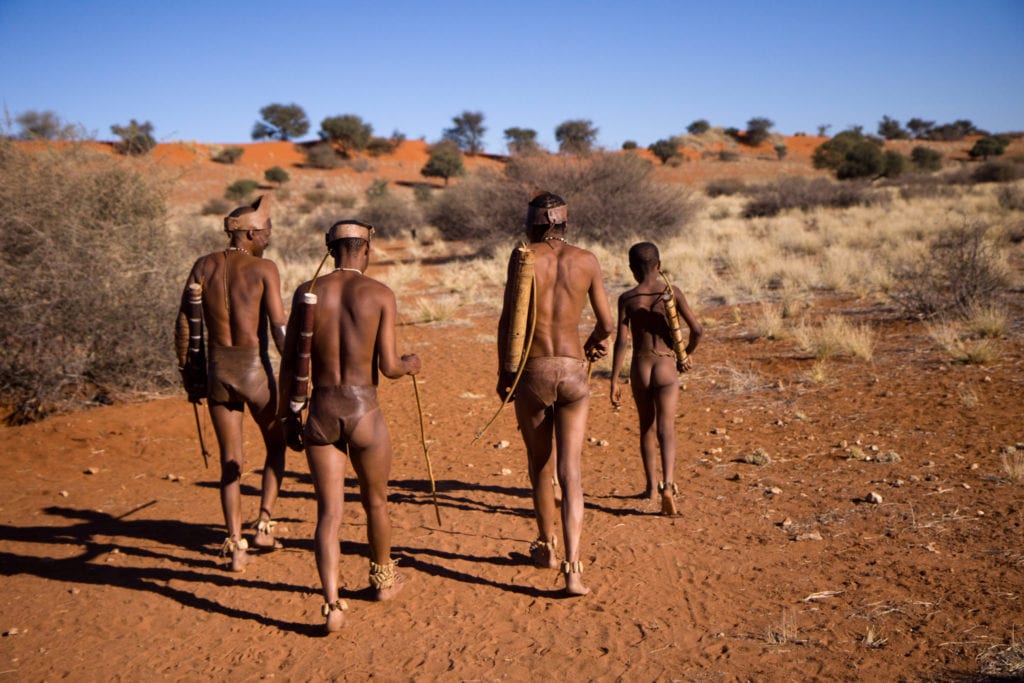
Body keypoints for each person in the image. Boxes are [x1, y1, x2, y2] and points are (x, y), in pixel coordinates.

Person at [278, 220, 420, 633]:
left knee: (329, 513)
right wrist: (411, 365)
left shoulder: (308, 291)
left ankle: (333, 605)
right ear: (367, 249)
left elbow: (291, 361)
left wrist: (289, 416)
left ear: (330, 247)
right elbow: (390, 368)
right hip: (364, 411)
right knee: (375, 501)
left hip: (321, 410)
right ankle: (382, 581)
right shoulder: (379, 294)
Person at [496, 192, 614, 596]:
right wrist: (594, 343)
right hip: (573, 372)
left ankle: (546, 546)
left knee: (539, 464)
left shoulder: (523, 257)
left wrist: (504, 375)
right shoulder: (587, 261)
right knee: (572, 473)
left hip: (532, 371)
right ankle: (573, 571)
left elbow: (508, 320)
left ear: (532, 224)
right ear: (565, 223)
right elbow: (607, 323)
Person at [174, 195, 288, 572]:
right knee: (276, 445)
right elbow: (279, 328)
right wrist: (301, 370)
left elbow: (184, 326)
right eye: (266, 230)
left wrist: (190, 376)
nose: (269, 235)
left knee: (230, 461)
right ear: (251, 233)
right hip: (255, 373)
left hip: (218, 373)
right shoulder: (264, 269)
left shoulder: (203, 266)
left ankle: (236, 544)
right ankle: (265, 525)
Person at [609, 242, 702, 515]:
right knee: (667, 428)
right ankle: (668, 487)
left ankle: (650, 487)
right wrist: (684, 354)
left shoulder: (626, 298)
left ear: (632, 270)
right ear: (659, 266)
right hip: (665, 364)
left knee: (646, 427)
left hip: (641, 366)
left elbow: (621, 342)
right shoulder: (671, 293)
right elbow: (697, 329)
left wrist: (614, 379)